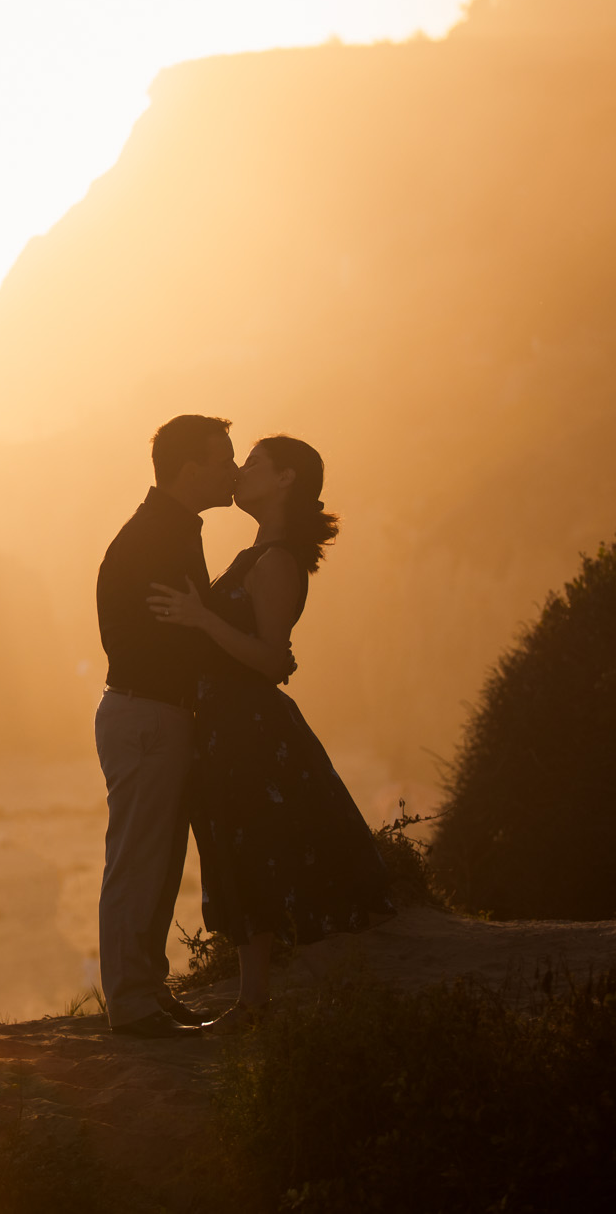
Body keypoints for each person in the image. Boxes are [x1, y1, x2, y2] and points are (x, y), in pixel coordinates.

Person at [148, 435, 391, 1031]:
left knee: (262, 851)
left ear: (286, 480)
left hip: (253, 731)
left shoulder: (277, 559)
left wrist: (201, 618)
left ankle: (274, 1000)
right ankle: (254, 1000)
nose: (240, 472)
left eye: (253, 463)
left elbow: (273, 660)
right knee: (242, 853)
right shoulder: (255, 551)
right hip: (225, 727)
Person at [93, 414, 237, 1037]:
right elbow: (171, 639)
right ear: (191, 470)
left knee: (157, 860)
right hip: (148, 712)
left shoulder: (170, 528)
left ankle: (147, 991)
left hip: (152, 712)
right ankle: (132, 1003)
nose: (233, 470)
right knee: (139, 861)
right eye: (225, 458)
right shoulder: (158, 537)